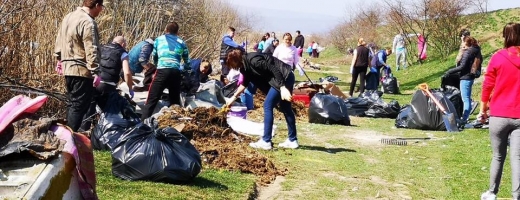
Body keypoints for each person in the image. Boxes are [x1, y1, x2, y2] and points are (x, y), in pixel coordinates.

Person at [225, 48, 298, 150]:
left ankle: (266, 141)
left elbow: (273, 69)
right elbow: (245, 83)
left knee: (267, 105)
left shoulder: (253, 60)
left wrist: (282, 87)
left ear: (235, 60)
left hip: (284, 77)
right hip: (284, 78)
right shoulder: (245, 66)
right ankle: (292, 140)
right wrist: (232, 98)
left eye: (230, 64)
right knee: (286, 108)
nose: (231, 67)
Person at [479, 22, 520, 200]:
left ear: (505, 36)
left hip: (499, 115)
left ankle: (492, 192)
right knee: (517, 158)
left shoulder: (498, 57)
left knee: (498, 156)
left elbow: (488, 85)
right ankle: (516, 195)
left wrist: (483, 110)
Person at [54, 0, 103, 132]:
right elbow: (91, 47)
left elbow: (59, 39)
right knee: (79, 105)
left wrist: (59, 58)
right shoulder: (88, 22)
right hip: (81, 69)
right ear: (97, 5)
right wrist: (95, 71)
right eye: (101, 7)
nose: (102, 10)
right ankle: (68, 139)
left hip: (68, 67)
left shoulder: (68, 17)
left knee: (72, 103)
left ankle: (65, 136)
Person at [141, 22, 190, 120]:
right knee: (175, 102)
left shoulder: (159, 40)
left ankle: (142, 125)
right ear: (177, 32)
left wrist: (157, 65)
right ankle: (175, 125)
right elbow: (187, 61)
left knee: (152, 99)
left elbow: (155, 55)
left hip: (162, 71)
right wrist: (184, 70)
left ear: (166, 30)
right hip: (176, 72)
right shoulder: (181, 42)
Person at [444, 36, 481, 124]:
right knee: (466, 98)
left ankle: (464, 118)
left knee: (466, 99)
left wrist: (450, 71)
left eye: (463, 42)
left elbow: (462, 66)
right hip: (470, 77)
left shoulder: (468, 53)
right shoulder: (476, 51)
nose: (462, 44)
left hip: (465, 78)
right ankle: (465, 116)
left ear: (467, 43)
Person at [96, 36, 133, 109]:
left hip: (95, 82)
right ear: (122, 44)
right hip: (108, 85)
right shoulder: (123, 53)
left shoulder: (101, 47)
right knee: (109, 111)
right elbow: (127, 73)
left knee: (91, 111)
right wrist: (130, 89)